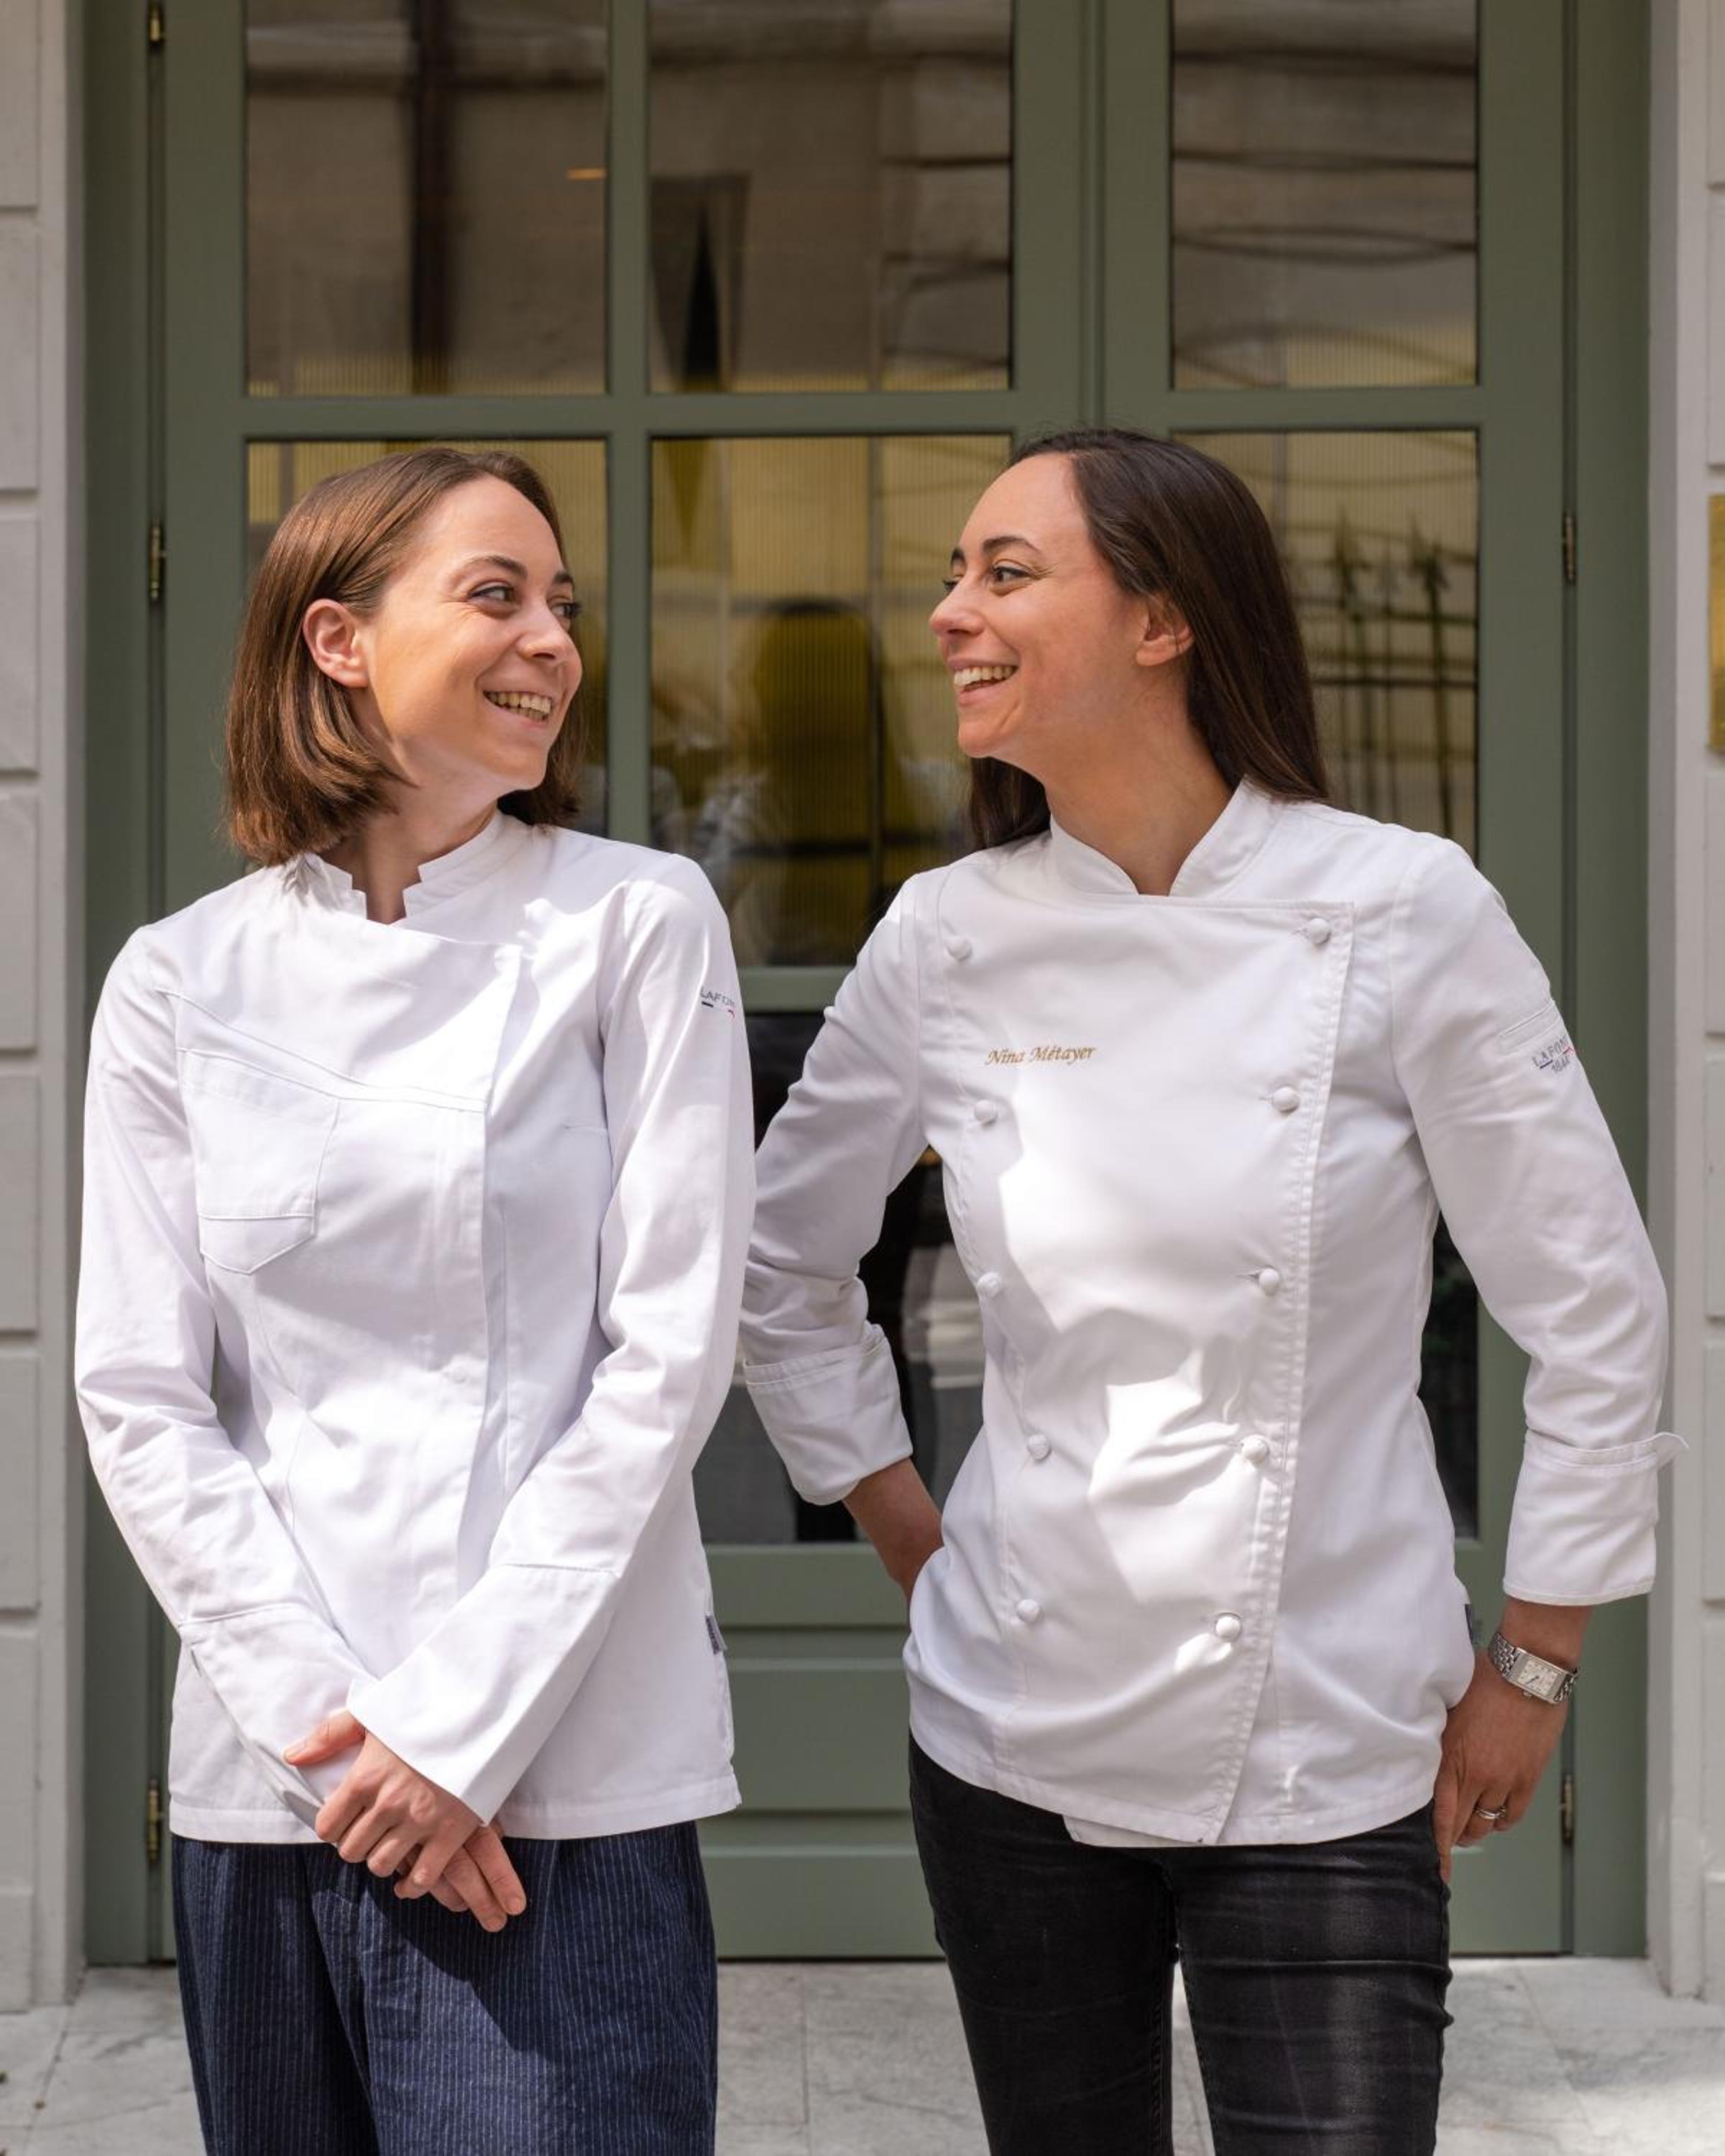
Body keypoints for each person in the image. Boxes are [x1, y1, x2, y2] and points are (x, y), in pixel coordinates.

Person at [738, 428, 1674, 2154]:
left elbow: (1596, 1305)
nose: (949, 612)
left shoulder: (1400, 910)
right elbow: (781, 1258)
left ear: (1164, 621)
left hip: (1328, 1729)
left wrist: (1536, 1659)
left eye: (1007, 572)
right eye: (951, 574)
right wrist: (902, 1521)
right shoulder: (948, 936)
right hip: (1010, 1734)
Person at [75, 446, 753, 2155]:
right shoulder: (179, 980)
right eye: (496, 595)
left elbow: (668, 1358)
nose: (553, 642)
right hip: (275, 1790)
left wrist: (452, 1732)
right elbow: (143, 1396)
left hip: (561, 1784)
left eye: (562, 605)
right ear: (338, 639)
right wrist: (344, 1747)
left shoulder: (636, 924)